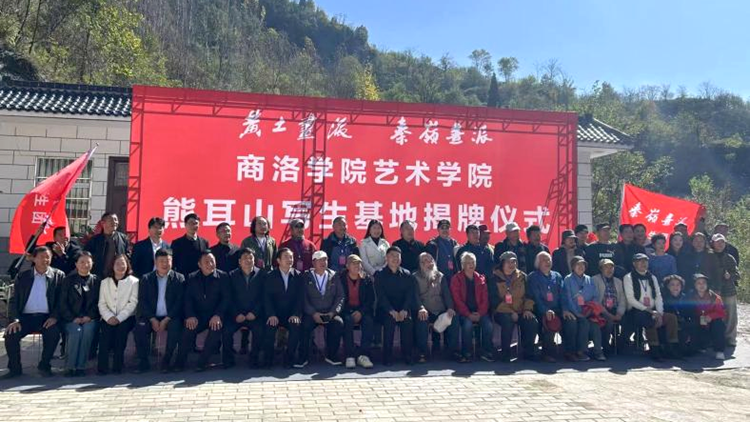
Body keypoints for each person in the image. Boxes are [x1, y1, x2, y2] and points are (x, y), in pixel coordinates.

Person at [2, 246, 65, 379]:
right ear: (34, 259)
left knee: (53, 333)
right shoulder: (23, 276)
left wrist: (54, 317)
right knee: (10, 335)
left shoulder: (58, 276)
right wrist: (15, 319)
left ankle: (44, 365)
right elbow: (14, 300)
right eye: (41, 257)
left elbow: (62, 300)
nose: (45, 260)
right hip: (25, 318)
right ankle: (15, 369)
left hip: (47, 317)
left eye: (48, 257)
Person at [174, 251, 228, 372]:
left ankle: (202, 362)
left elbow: (226, 299)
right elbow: (187, 299)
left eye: (212, 261)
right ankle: (179, 362)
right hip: (198, 315)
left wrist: (218, 315)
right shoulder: (192, 277)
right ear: (199, 264)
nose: (210, 264)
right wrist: (190, 315)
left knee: (215, 329)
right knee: (188, 329)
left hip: (215, 315)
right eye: (206, 262)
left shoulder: (223, 277)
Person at [134, 248, 184, 373]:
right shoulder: (146, 278)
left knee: (175, 327)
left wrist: (167, 319)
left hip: (171, 316)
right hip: (150, 316)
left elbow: (179, 302)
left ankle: (167, 360)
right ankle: (143, 361)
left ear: (172, 261)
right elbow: (142, 301)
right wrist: (152, 319)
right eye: (161, 261)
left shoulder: (179, 278)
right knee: (140, 328)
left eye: (168, 261)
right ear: (155, 262)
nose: (165, 264)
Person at [623, 253, 680, 361]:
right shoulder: (628, 277)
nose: (643, 263)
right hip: (636, 310)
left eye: (645, 261)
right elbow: (631, 299)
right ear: (634, 264)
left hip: (653, 310)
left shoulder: (652, 277)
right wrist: (649, 311)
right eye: (640, 261)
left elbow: (658, 296)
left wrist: (660, 313)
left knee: (671, 318)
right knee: (650, 319)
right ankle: (655, 350)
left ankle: (671, 348)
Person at [489, 251, 538, 362]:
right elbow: (494, 300)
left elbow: (529, 296)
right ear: (502, 264)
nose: (512, 264)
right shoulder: (494, 277)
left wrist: (527, 309)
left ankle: (528, 352)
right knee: (507, 320)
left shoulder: (522, 276)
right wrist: (511, 312)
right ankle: (505, 353)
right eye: (508, 262)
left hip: (520, 310)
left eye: (514, 262)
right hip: (501, 311)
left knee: (531, 321)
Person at [58, 252, 99, 377]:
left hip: (90, 318)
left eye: (88, 262)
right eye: (82, 262)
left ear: (92, 264)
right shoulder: (68, 280)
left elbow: (99, 302)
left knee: (87, 330)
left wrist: (90, 316)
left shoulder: (97, 281)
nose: (85, 265)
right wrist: (72, 318)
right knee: (76, 331)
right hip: (71, 318)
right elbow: (62, 303)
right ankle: (70, 366)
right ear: (76, 264)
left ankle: (81, 366)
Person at [262, 248, 304, 368]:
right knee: (269, 327)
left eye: (291, 257)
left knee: (295, 326)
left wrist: (296, 314)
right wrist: (271, 314)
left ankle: (289, 359)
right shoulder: (270, 276)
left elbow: (300, 298)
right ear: (278, 260)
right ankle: (268, 359)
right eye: (286, 257)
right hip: (275, 314)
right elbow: (266, 297)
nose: (289, 259)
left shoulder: (298, 275)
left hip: (291, 314)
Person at [375, 246, 417, 365]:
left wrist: (404, 309)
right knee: (389, 321)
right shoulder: (380, 275)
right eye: (392, 256)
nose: (395, 259)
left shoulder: (407, 274)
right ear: (386, 258)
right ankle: (387, 356)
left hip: (403, 308)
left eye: (397, 256)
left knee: (407, 321)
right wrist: (391, 310)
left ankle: (407, 355)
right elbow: (381, 296)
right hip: (386, 310)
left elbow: (410, 294)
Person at [301, 251, 344, 366]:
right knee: (304, 324)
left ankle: (331, 355)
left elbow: (340, 296)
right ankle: (303, 357)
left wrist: (333, 312)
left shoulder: (334, 276)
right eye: (320, 260)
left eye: (325, 259)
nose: (323, 262)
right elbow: (303, 297)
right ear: (313, 262)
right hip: (312, 313)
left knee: (338, 323)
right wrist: (313, 313)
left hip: (329, 312)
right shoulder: (306, 276)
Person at [413, 252, 459, 362]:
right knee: (421, 319)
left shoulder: (440, 276)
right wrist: (421, 308)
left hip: (440, 309)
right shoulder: (415, 277)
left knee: (454, 318)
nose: (428, 263)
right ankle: (422, 353)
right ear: (420, 264)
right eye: (425, 261)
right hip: (425, 309)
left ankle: (452, 351)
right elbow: (415, 296)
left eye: (430, 260)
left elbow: (447, 295)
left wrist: (450, 308)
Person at [97, 254, 138, 374]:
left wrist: (119, 318)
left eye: (123, 263)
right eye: (117, 264)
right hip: (108, 317)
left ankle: (117, 366)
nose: (120, 266)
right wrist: (109, 317)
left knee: (121, 335)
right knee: (105, 336)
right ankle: (102, 367)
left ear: (127, 265)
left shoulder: (134, 282)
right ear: (112, 266)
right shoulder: (105, 282)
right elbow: (102, 303)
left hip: (126, 318)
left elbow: (133, 303)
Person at [450, 252, 494, 363]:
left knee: (488, 325)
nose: (471, 265)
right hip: (463, 312)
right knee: (467, 325)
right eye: (468, 263)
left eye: (473, 262)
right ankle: (467, 353)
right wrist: (468, 314)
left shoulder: (481, 278)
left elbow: (485, 299)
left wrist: (480, 313)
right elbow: (457, 300)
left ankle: (486, 352)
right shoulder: (456, 278)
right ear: (463, 265)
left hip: (479, 312)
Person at [223, 248, 264, 368]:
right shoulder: (232, 275)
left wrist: (255, 313)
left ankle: (254, 358)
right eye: (245, 258)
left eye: (251, 258)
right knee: (226, 331)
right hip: (236, 315)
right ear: (239, 261)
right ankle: (228, 359)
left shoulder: (261, 275)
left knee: (259, 330)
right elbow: (228, 298)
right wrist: (236, 314)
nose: (248, 260)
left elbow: (263, 297)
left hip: (254, 315)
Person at [334, 254, 375, 369]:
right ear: (347, 266)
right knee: (347, 321)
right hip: (346, 310)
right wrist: (350, 311)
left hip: (362, 310)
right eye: (353, 263)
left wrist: (361, 312)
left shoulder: (366, 279)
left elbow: (370, 300)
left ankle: (364, 355)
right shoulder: (340, 279)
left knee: (368, 321)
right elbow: (339, 298)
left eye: (358, 263)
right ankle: (349, 355)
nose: (356, 266)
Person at [561, 256, 604, 361]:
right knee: (583, 323)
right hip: (573, 312)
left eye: (583, 264)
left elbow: (595, 296)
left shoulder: (590, 279)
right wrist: (577, 313)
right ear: (573, 267)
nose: (581, 267)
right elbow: (568, 298)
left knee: (595, 325)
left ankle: (598, 352)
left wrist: (591, 309)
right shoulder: (568, 279)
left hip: (588, 311)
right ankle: (581, 352)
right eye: (578, 264)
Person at [528, 252, 564, 362]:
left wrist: (566, 310)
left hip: (557, 308)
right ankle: (547, 354)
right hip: (540, 309)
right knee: (550, 320)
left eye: (549, 260)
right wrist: (545, 310)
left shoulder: (557, 276)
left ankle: (569, 351)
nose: (547, 262)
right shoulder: (533, 277)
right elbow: (536, 298)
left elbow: (563, 295)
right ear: (538, 263)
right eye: (544, 260)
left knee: (570, 320)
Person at [705, 234, 740, 347]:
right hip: (713, 291)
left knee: (730, 316)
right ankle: (714, 338)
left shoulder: (729, 258)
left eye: (722, 242)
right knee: (714, 314)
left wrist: (730, 276)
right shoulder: (708, 257)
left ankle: (730, 338)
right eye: (717, 242)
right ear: (713, 243)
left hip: (729, 291)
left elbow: (737, 275)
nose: (720, 244)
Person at [592, 259, 626, 355]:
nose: (609, 269)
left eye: (611, 267)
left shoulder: (618, 281)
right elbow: (595, 300)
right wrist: (607, 314)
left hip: (615, 309)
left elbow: (622, 299)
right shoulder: (594, 279)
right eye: (606, 267)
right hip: (601, 309)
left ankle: (620, 344)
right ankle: (605, 345)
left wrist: (620, 313)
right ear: (601, 269)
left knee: (629, 321)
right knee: (609, 322)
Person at [690, 274, 727, 360]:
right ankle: (699, 346)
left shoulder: (715, 297)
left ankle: (719, 351)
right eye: (699, 283)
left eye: (704, 283)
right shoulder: (690, 296)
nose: (701, 285)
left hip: (711, 321)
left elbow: (721, 312)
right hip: (697, 320)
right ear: (694, 285)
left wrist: (710, 316)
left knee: (718, 324)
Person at [85, 212, 130, 279]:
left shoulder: (123, 238)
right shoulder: (94, 240)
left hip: (117, 276)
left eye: (116, 220)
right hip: (98, 276)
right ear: (103, 223)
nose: (115, 222)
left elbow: (127, 256)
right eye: (111, 220)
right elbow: (87, 257)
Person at [662, 274, 694, 357]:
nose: (675, 287)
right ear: (667, 286)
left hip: (683, 324)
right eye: (672, 285)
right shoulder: (663, 298)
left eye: (678, 285)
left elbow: (690, 313)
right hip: (668, 325)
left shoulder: (685, 298)